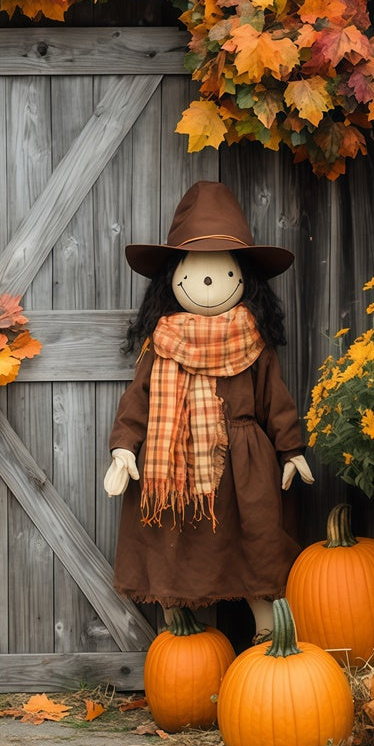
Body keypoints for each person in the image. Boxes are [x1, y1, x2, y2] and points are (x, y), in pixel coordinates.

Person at [103, 181, 313, 641]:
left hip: (244, 468)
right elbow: (138, 401)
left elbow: (275, 399)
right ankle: (188, 640)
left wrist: (291, 449)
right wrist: (124, 449)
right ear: (173, 278)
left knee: (254, 546)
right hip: (174, 461)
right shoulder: (162, 342)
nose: (208, 284)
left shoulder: (253, 340)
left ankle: (267, 639)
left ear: (243, 278)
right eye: (196, 273)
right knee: (182, 546)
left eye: (221, 273)